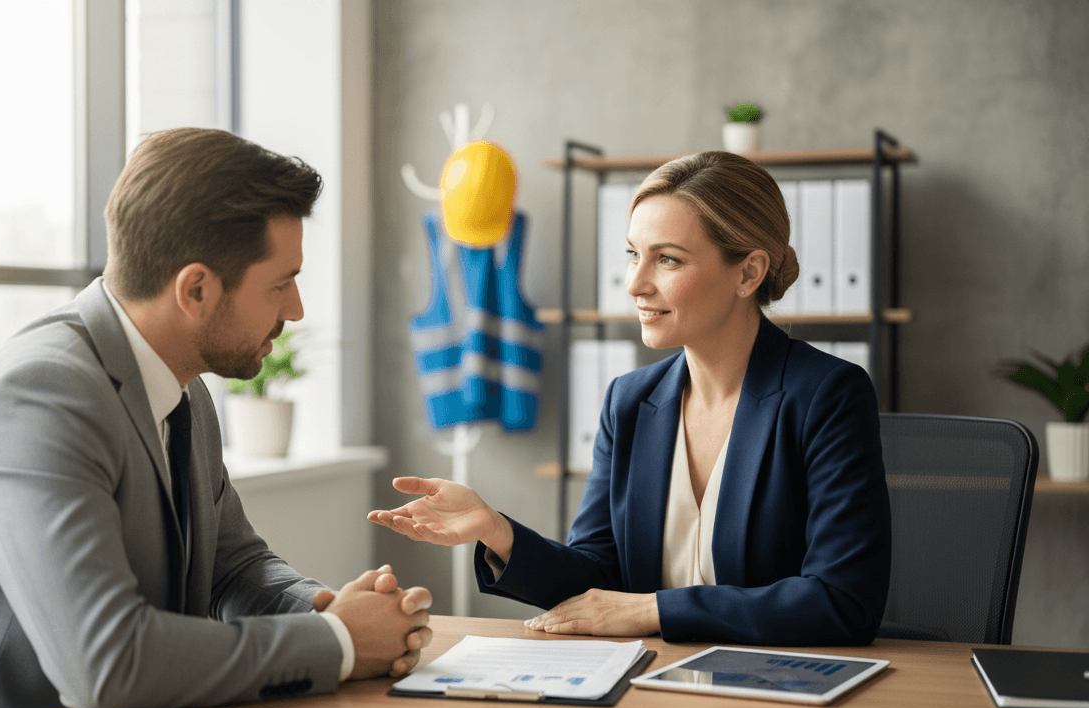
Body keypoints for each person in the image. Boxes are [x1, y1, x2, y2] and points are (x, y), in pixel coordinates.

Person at [0, 128, 432, 708]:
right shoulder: (38, 398)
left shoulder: (183, 389)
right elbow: (107, 663)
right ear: (196, 289)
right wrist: (340, 644)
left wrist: (324, 610)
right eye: (280, 284)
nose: (296, 310)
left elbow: (233, 567)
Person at [370, 150, 890, 646]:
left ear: (749, 272)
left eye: (667, 259)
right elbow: (597, 578)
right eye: (633, 255)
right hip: (651, 683)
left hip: (771, 687)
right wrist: (497, 530)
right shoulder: (630, 401)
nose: (635, 284)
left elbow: (842, 601)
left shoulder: (827, 395)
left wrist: (651, 610)